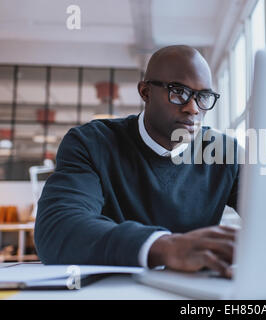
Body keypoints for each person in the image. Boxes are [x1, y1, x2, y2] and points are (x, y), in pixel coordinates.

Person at [34, 45, 240, 279]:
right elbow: (57, 230)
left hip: (195, 293)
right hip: (115, 292)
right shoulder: (92, 143)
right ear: (145, 92)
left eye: (203, 96)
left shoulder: (225, 153)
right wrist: (164, 247)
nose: (192, 108)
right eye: (179, 91)